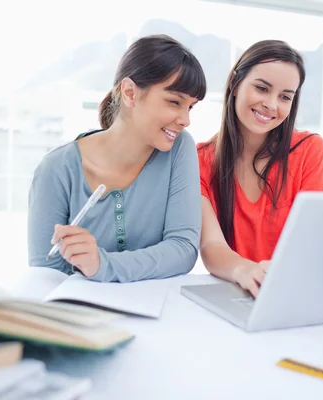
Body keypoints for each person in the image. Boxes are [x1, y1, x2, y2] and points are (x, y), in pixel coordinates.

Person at [27, 34, 206, 282]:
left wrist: (103, 264)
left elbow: (183, 249)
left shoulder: (179, 148)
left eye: (190, 107)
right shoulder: (55, 169)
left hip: (156, 313)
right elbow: (44, 273)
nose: (185, 119)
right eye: (174, 101)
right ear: (130, 93)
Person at [198, 40, 323, 297]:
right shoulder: (200, 160)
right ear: (234, 84)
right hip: (238, 293)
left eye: (285, 96)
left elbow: (311, 241)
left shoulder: (310, 151)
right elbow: (211, 245)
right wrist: (245, 271)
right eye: (262, 88)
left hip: (296, 292)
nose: (271, 104)